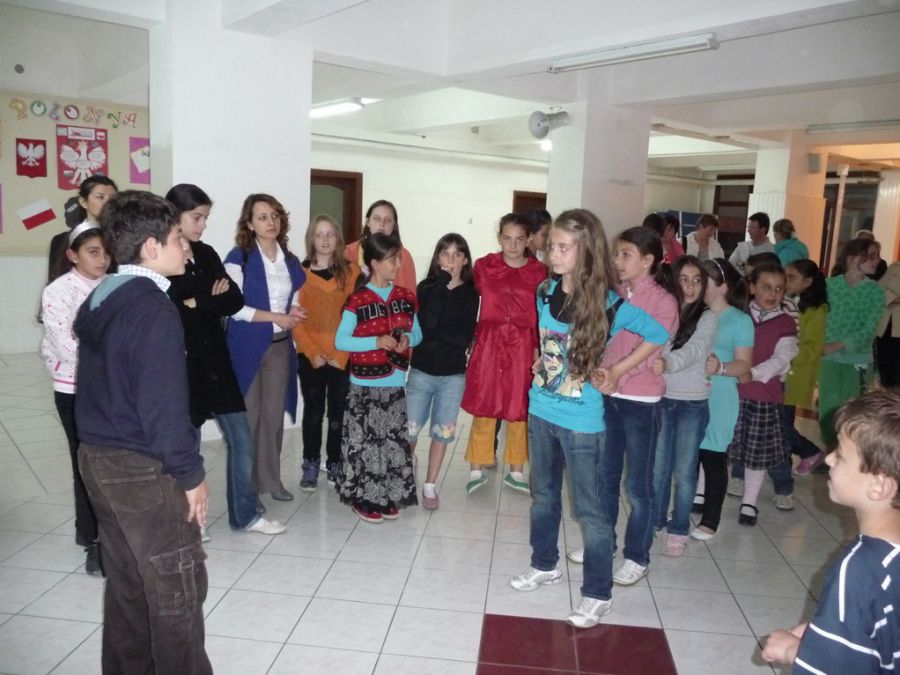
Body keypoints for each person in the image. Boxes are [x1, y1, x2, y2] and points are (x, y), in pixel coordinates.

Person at [73, 190, 212, 674]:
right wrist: (190, 475)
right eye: (178, 238)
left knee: (130, 584)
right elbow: (163, 407)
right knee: (177, 585)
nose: (186, 247)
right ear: (151, 247)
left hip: (98, 458)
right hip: (140, 467)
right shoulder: (152, 308)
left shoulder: (104, 295)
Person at [510, 208, 668, 628]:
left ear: (586, 252)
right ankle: (544, 564)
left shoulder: (609, 302)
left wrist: (616, 371)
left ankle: (598, 593)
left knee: (591, 511)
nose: (553, 254)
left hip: (583, 423)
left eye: (564, 248)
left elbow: (658, 334)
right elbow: (549, 341)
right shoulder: (545, 291)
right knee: (543, 497)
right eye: (552, 246)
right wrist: (543, 360)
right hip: (540, 410)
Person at [165, 184, 285, 536]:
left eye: (205, 217)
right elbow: (174, 307)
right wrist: (206, 299)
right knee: (188, 445)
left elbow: (233, 300)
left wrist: (197, 301)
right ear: (174, 216)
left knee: (241, 439)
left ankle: (245, 515)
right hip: (184, 365)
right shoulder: (163, 256)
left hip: (218, 361)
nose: (203, 225)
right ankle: (191, 521)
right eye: (197, 217)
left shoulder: (205, 253)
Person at [762, 389, 900, 674]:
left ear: (878, 486)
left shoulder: (860, 569)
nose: (828, 459)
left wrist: (792, 650)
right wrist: (826, 634)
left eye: (840, 455)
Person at [595, 226, 678, 586]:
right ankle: (603, 544)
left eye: (625, 254)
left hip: (641, 400)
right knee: (605, 476)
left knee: (638, 485)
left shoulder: (663, 302)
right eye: (617, 253)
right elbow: (603, 341)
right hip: (609, 396)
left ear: (647, 260)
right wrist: (602, 372)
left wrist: (617, 374)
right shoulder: (614, 294)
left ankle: (637, 556)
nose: (618, 260)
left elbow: (651, 351)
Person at [224, 194, 306, 504]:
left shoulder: (290, 260)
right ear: (249, 224)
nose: (271, 222)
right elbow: (234, 308)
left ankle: (270, 481)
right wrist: (276, 317)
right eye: (262, 217)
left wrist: (293, 312)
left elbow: (293, 296)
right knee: (249, 419)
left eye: (274, 215)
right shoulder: (238, 258)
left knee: (272, 418)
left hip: (279, 348)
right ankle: (247, 490)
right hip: (245, 346)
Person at [335, 232, 421, 522]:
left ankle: (386, 496)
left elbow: (418, 333)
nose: (398, 264)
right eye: (392, 259)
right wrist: (374, 341)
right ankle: (364, 500)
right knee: (367, 445)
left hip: (395, 384)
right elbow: (341, 341)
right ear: (374, 263)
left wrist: (408, 339)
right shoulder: (357, 300)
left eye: (398, 258)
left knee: (391, 443)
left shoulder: (406, 298)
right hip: (365, 385)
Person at [41, 221, 110, 574]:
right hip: (75, 391)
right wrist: (115, 356)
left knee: (111, 464)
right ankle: (93, 539)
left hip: (113, 390)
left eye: (106, 252)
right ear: (72, 255)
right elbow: (68, 347)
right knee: (85, 466)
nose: (102, 259)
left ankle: (113, 536)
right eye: (93, 252)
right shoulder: (58, 292)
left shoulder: (116, 286)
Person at [461, 213, 546, 495]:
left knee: (520, 407)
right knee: (485, 403)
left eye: (519, 239)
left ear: (529, 239)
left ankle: (516, 470)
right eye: (507, 238)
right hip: (490, 342)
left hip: (523, 345)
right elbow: (466, 298)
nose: (512, 245)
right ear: (499, 238)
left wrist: (540, 350)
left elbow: (543, 313)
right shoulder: (484, 267)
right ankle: (476, 468)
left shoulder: (540, 272)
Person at [650, 255, 717, 557]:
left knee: (686, 471)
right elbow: (653, 343)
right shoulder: (665, 311)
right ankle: (656, 521)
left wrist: (667, 363)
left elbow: (696, 350)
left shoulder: (708, 317)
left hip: (692, 402)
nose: (690, 287)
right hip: (662, 398)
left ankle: (678, 529)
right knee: (658, 468)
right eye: (684, 280)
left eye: (697, 280)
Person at [406, 233, 479, 509]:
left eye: (457, 254)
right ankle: (405, 471)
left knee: (442, 431)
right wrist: (442, 284)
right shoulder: (426, 288)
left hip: (452, 375)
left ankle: (430, 484)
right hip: (421, 371)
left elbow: (463, 335)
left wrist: (439, 333)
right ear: (438, 258)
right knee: (409, 428)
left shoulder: (471, 294)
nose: (451, 260)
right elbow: (426, 323)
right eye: (445, 254)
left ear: (465, 260)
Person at [728, 262, 798, 527]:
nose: (773, 294)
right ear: (752, 287)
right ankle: (706, 493)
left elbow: (782, 358)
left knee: (757, 452)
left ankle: (749, 502)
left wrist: (753, 373)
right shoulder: (739, 315)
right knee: (722, 445)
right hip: (731, 392)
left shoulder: (785, 322)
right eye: (766, 287)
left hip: (763, 395)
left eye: (779, 289)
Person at [293, 214, 359, 491]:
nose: (324, 240)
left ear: (338, 239)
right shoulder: (300, 274)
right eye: (319, 234)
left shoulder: (352, 272)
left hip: (343, 356)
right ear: (311, 239)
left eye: (330, 234)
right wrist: (311, 352)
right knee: (313, 412)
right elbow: (296, 319)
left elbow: (358, 317)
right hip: (311, 357)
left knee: (338, 414)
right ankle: (310, 463)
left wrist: (342, 354)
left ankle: (334, 462)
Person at [691, 259, 753, 541]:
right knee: (688, 457)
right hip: (690, 394)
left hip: (721, 396)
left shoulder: (740, 320)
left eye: (704, 280)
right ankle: (683, 509)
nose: (698, 285)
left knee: (713, 457)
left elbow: (744, 365)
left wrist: (721, 368)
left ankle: (710, 519)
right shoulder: (694, 314)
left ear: (723, 287)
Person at [819, 239, 884, 449]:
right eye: (871, 256)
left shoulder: (875, 291)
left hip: (858, 361)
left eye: (877, 255)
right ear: (852, 258)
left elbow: (869, 330)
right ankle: (831, 453)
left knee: (853, 412)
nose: (877, 260)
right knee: (827, 409)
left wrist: (836, 345)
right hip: (829, 360)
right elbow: (817, 318)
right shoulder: (829, 286)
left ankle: (849, 454)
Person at [783, 260, 829, 475]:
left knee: (781, 424)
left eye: (792, 277)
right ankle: (782, 462)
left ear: (808, 282)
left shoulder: (817, 310)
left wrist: (787, 356)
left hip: (796, 373)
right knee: (779, 420)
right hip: (781, 370)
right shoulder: (787, 301)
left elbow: (813, 347)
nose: (786, 281)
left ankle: (809, 451)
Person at [47, 175, 118, 283]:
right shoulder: (61, 240)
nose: (107, 203)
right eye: (100, 197)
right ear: (83, 202)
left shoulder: (122, 238)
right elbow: (55, 279)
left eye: (112, 199)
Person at [344, 199, 417, 291]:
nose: (382, 224)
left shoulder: (404, 256)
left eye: (388, 220)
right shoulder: (348, 253)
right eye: (377, 219)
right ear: (367, 222)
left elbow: (410, 295)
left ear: (394, 225)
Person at [875, 261, 900, 388]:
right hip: (885, 326)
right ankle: (886, 393)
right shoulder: (895, 267)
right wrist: (894, 298)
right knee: (884, 366)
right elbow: (878, 288)